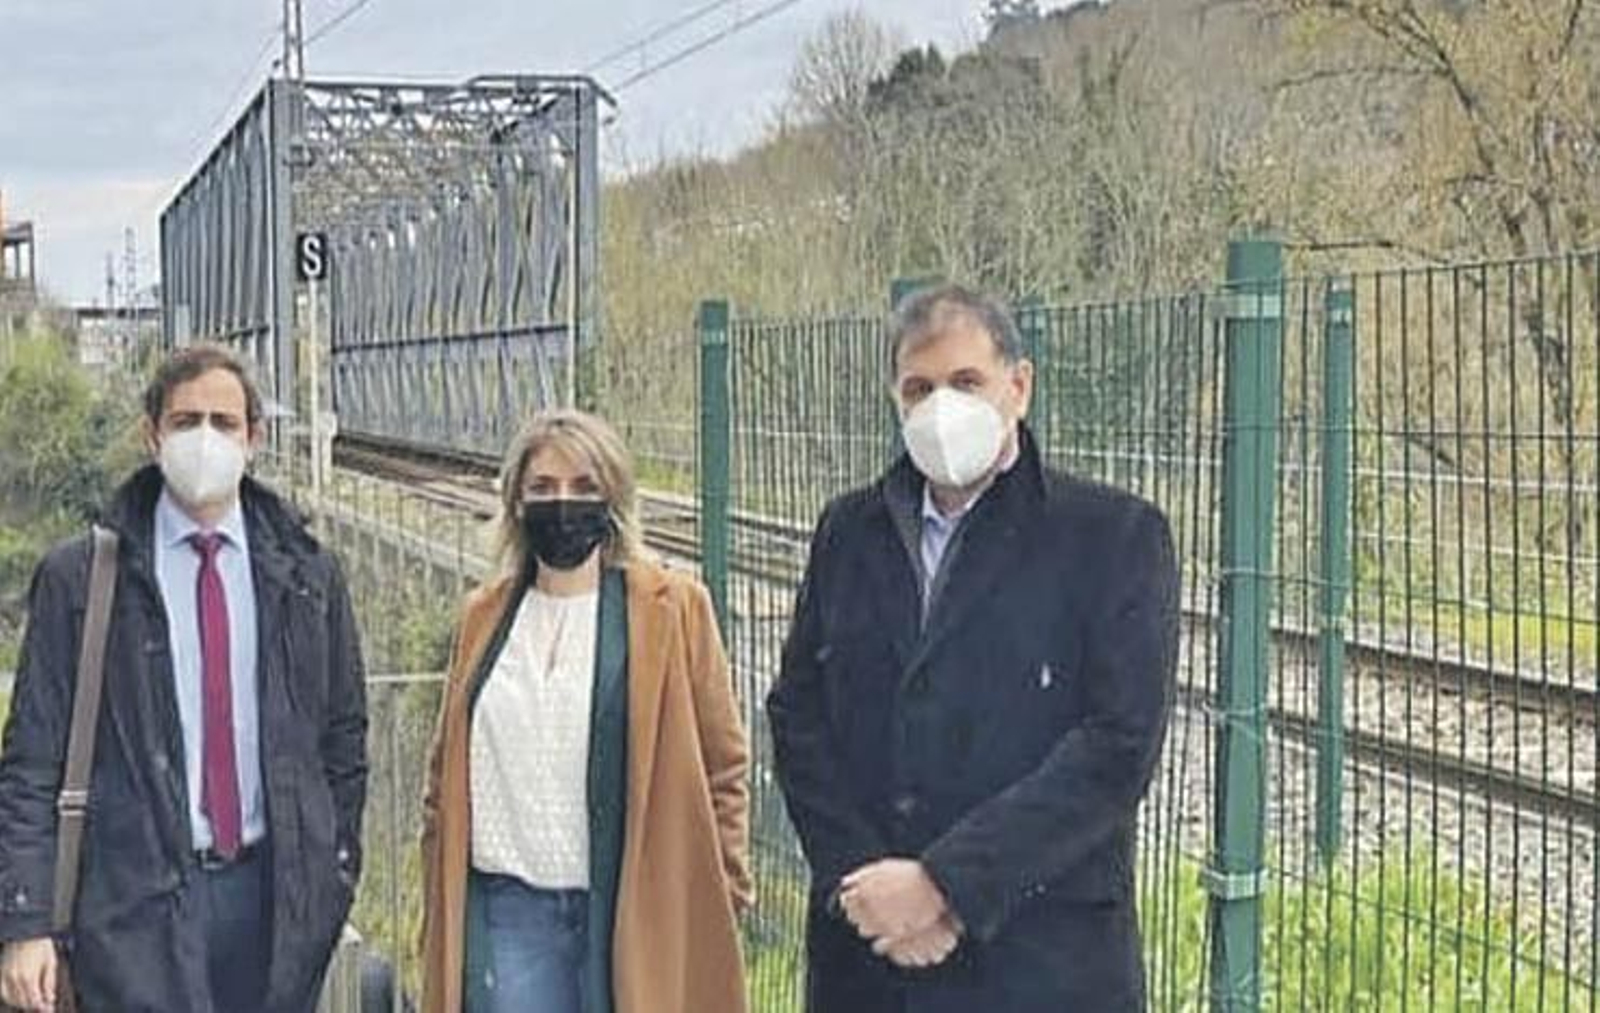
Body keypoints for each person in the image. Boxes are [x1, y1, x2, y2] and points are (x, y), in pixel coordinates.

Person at [767, 284, 1179, 1012]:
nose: (940, 407)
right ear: (894, 399)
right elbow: (798, 713)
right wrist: (863, 880)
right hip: (869, 959)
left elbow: (1117, 745)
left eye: (966, 382)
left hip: (1041, 960)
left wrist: (948, 884)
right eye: (918, 388)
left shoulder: (1111, 537)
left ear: (1018, 387)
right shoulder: (848, 533)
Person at [0, 344, 369, 1012]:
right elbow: (30, 762)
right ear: (152, 433)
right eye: (186, 419)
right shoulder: (81, 579)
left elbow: (343, 740)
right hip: (135, 904)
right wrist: (24, 923)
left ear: (254, 436)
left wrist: (332, 869)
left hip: (272, 897)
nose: (205, 438)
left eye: (224, 423)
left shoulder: (308, 575)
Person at [418, 409, 752, 1013]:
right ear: (516, 501)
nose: (562, 504)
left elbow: (724, 765)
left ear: (613, 499)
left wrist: (720, 887)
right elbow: (444, 769)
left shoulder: (674, 610)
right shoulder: (484, 616)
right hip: (511, 914)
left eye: (583, 488)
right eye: (543, 488)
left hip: (634, 908)